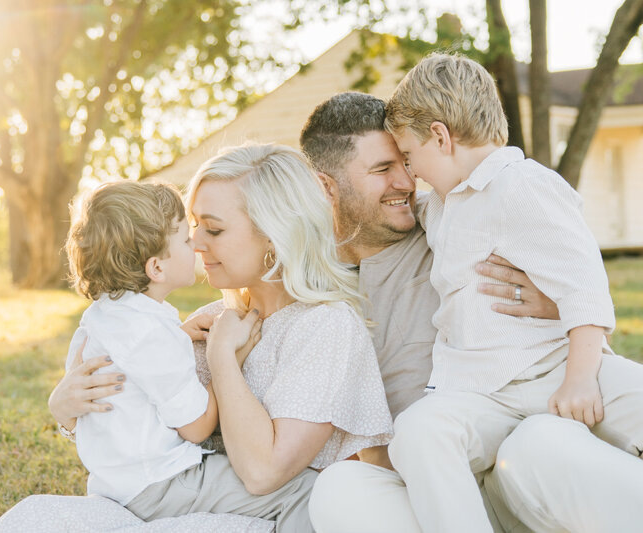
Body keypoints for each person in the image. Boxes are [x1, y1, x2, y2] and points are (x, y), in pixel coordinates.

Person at [301, 91, 643, 533]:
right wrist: (209, 325)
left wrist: (554, 306)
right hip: (446, 499)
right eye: (384, 168)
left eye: (406, 162)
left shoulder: (462, 220)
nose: (407, 181)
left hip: (532, 472)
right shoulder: (310, 281)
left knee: (541, 445)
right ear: (325, 186)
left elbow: (580, 285)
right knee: (339, 488)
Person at [61, 180, 321, 531]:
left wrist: (179, 337)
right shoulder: (152, 336)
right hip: (161, 485)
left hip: (117, 483)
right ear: (156, 268)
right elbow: (197, 428)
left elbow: (134, 367)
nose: (196, 245)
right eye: (184, 239)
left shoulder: (105, 316)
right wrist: (227, 356)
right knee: (303, 489)